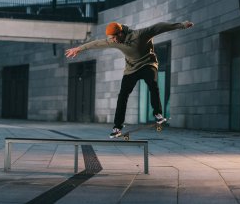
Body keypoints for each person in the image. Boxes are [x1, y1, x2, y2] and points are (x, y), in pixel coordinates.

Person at [65, 21, 194, 138]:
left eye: (115, 37)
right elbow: (97, 43)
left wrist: (181, 25)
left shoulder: (140, 35)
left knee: (152, 84)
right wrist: (78, 49)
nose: (114, 41)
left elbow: (158, 27)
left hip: (148, 64)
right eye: (112, 38)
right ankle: (117, 126)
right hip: (131, 69)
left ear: (121, 33)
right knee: (123, 95)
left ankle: (157, 113)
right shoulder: (113, 40)